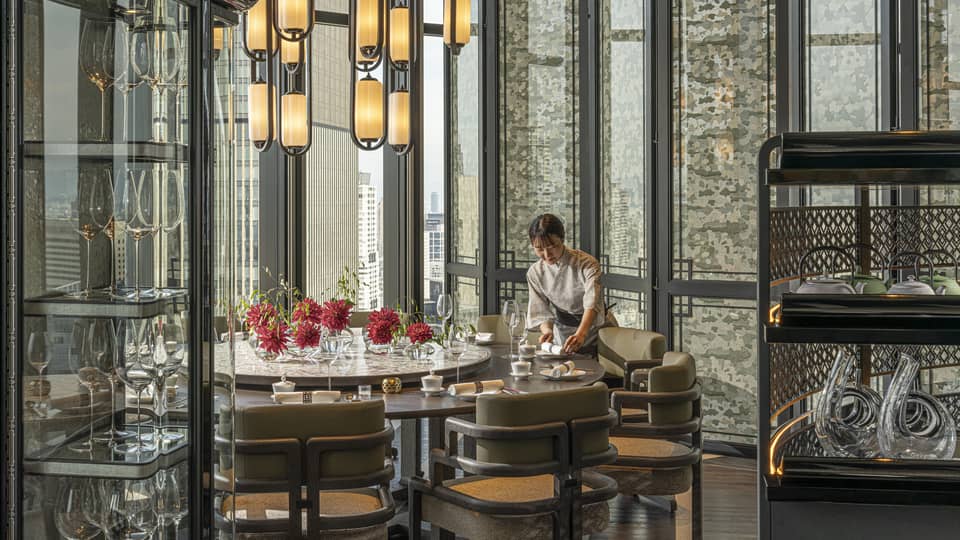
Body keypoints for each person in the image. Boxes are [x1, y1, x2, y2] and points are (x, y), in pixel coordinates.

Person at [525, 214, 617, 354]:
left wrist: (580, 334)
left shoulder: (587, 264)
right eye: (539, 249)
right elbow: (540, 311)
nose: (547, 254)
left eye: (552, 246)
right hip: (563, 331)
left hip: (597, 328)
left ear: (562, 239)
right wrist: (548, 331)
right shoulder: (535, 272)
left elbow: (592, 303)